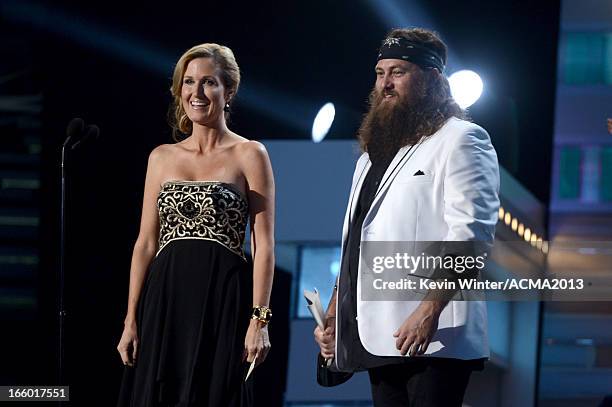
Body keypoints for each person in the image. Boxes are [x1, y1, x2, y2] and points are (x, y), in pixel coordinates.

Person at [314, 28, 500, 406]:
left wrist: (429, 309)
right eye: (380, 73)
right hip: (379, 333)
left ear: (432, 79)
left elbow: (471, 234)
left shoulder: (463, 138)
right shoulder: (371, 156)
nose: (385, 83)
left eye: (398, 72)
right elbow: (355, 245)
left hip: (434, 335)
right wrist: (336, 309)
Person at [116, 43, 275, 407]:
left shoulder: (250, 153)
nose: (196, 93)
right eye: (188, 82)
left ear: (228, 90)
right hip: (165, 300)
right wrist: (130, 320)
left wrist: (259, 320)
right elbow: (145, 243)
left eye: (208, 83)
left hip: (223, 297)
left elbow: (264, 245)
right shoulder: (161, 157)